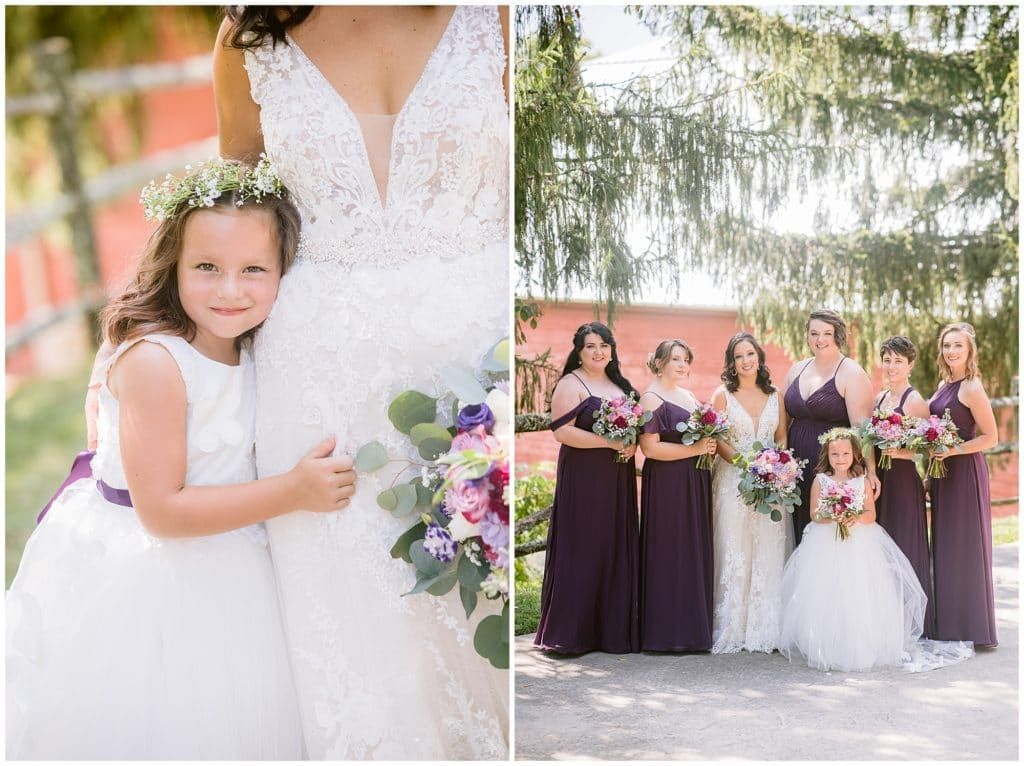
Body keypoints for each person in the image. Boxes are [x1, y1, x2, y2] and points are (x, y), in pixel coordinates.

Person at [214, 7, 510, 758]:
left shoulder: (496, 14)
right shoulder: (253, 34)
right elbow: (237, 220)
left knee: (485, 628)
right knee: (365, 640)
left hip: (480, 366)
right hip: (318, 389)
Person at [7, 161, 354, 759]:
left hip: (229, 564)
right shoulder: (157, 364)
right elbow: (163, 513)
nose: (230, 290)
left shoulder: (252, 347)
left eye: (254, 270)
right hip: (151, 576)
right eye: (207, 268)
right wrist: (294, 491)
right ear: (173, 264)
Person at [778, 430, 927, 671]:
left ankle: (862, 642)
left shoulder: (862, 481)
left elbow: (871, 515)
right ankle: (827, 642)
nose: (840, 458)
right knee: (828, 590)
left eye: (846, 453)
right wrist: (834, 515)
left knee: (859, 591)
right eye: (835, 454)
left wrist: (852, 515)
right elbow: (815, 514)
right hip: (825, 542)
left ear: (855, 455)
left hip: (860, 544)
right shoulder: (820, 480)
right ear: (827, 455)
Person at [535, 322, 640, 654]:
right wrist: (607, 441)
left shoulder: (618, 384)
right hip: (584, 477)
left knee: (613, 545)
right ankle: (572, 633)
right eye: (591, 346)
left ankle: (611, 632)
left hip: (617, 477)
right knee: (584, 545)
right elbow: (562, 432)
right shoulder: (571, 382)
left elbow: (633, 429)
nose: (599, 352)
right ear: (578, 352)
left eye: (604, 345)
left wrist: (630, 445)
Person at [708, 332, 791, 654]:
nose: (746, 361)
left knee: (767, 549)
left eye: (750, 354)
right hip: (733, 482)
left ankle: (765, 626)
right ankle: (732, 625)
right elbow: (719, 439)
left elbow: (781, 436)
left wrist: (775, 466)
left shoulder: (775, 395)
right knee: (735, 548)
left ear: (759, 357)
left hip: (772, 484)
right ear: (732, 362)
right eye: (739, 356)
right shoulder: (722, 395)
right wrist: (749, 466)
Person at [637, 339, 716, 651]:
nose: (683, 366)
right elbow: (650, 448)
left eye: (686, 360)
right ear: (659, 363)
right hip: (668, 483)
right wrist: (695, 449)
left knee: (691, 548)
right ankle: (666, 632)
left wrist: (707, 446)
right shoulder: (650, 398)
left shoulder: (688, 395)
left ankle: (691, 629)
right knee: (669, 549)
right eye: (675, 360)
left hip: (693, 479)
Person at [927, 323, 998, 646]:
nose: (951, 351)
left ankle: (972, 628)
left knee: (964, 545)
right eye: (947, 345)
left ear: (969, 351)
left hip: (965, 471)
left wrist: (952, 450)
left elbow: (991, 437)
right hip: (943, 473)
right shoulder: (945, 383)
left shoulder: (971, 387)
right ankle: (950, 624)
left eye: (958, 345)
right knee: (946, 543)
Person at [782, 309, 876, 545]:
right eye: (814, 333)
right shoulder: (796, 369)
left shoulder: (851, 372)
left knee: (827, 532)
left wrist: (870, 471)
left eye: (827, 333)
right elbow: (783, 420)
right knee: (796, 527)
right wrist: (781, 462)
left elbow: (861, 428)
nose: (819, 340)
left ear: (838, 336)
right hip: (795, 465)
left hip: (832, 464)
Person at [872, 336, 936, 637]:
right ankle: (887, 618)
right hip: (881, 478)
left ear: (910, 364)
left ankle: (913, 624)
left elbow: (926, 446)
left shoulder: (914, 400)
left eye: (898, 360)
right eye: (887, 359)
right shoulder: (880, 398)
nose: (892, 365)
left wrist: (900, 451)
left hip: (901, 479)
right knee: (883, 547)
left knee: (905, 545)